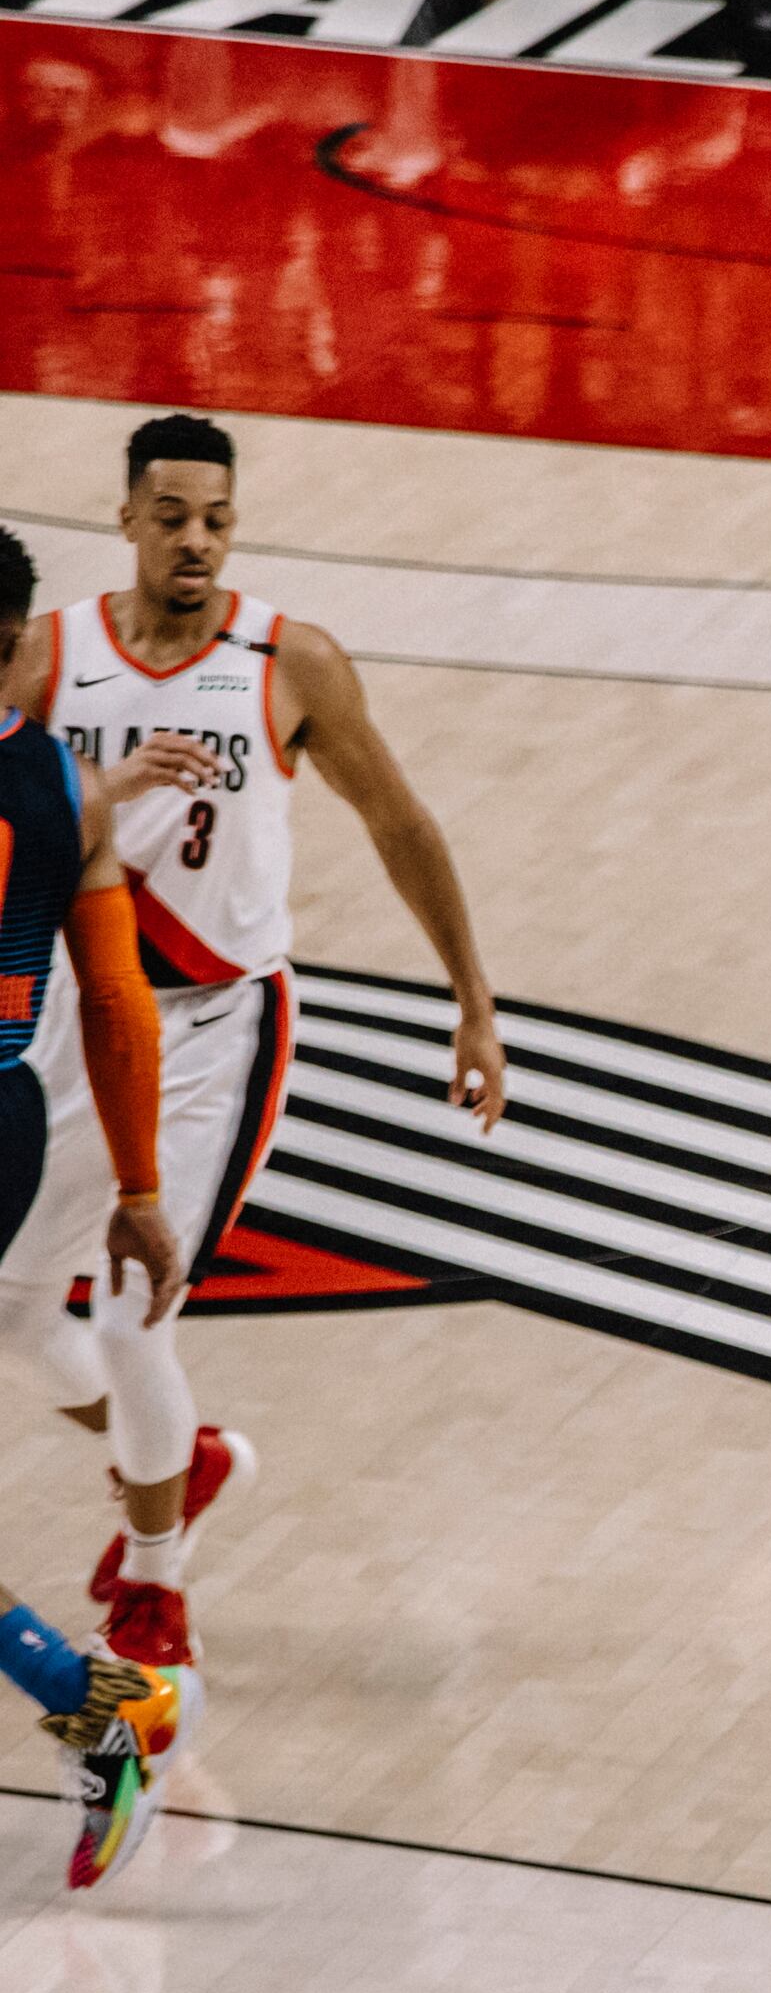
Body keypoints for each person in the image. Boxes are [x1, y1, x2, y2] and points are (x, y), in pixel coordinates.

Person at [0, 416, 501, 1740]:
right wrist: (104, 786)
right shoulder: (49, 654)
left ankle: (154, 1589)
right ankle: (188, 1460)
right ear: (126, 518)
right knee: (15, 1313)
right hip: (82, 1011)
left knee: (131, 1319)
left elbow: (399, 820)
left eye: (217, 519)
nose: (197, 541)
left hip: (223, 1024)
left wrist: (472, 1000)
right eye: (171, 516)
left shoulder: (291, 661)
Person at [0, 531, 181, 1897]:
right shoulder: (66, 783)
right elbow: (117, 1004)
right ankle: (95, 1703)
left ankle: (97, 1707)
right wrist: (137, 1188)